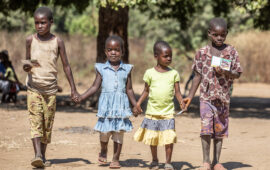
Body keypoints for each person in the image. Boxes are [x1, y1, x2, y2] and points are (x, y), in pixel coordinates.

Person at [22, 6, 79, 168]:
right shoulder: (29, 40)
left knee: (47, 124)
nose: (39, 26)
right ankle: (37, 154)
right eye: (37, 23)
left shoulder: (57, 42)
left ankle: (43, 156)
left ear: (51, 22)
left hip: (51, 90)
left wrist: (73, 88)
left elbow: (66, 66)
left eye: (43, 22)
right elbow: (27, 61)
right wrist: (26, 67)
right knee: (35, 122)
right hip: (34, 88)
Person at [183, 18, 242, 170]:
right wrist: (190, 96)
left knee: (219, 130)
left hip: (223, 98)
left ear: (226, 34)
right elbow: (197, 76)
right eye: (215, 35)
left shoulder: (231, 52)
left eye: (222, 35)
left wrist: (226, 71)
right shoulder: (202, 53)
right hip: (206, 98)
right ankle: (206, 161)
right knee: (206, 129)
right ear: (209, 34)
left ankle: (217, 162)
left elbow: (237, 73)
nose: (219, 38)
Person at [75, 35, 138, 169]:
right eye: (110, 50)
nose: (113, 52)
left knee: (118, 133)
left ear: (122, 51)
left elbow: (130, 89)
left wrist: (135, 104)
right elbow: (94, 87)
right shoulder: (101, 68)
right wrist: (82, 97)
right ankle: (104, 149)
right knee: (104, 133)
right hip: (106, 108)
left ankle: (115, 158)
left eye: (116, 49)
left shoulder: (127, 69)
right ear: (105, 52)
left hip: (121, 107)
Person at [133, 41, 185, 170]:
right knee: (153, 138)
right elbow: (146, 91)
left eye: (170, 56)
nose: (169, 58)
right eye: (165, 56)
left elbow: (177, 91)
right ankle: (155, 160)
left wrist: (181, 102)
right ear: (156, 56)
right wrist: (138, 104)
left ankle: (168, 162)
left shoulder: (174, 73)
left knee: (169, 138)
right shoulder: (149, 73)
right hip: (152, 112)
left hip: (168, 112)